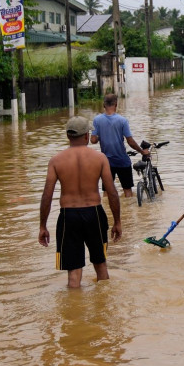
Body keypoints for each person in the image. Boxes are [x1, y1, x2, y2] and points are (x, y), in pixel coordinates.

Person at [41, 116, 122, 288]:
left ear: (68, 136)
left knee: (73, 272)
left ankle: (73, 305)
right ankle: (104, 302)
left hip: (68, 216)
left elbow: (47, 195)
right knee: (100, 265)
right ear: (86, 136)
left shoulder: (56, 161)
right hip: (94, 214)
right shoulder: (100, 158)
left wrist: (43, 226)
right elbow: (112, 193)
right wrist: (117, 222)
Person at [90, 93, 149, 198]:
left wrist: (102, 136)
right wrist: (141, 151)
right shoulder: (122, 120)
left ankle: (107, 208)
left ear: (104, 105)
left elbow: (93, 140)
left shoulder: (97, 120)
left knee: (106, 191)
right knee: (127, 191)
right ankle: (129, 208)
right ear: (116, 105)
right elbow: (130, 142)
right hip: (122, 161)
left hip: (106, 162)